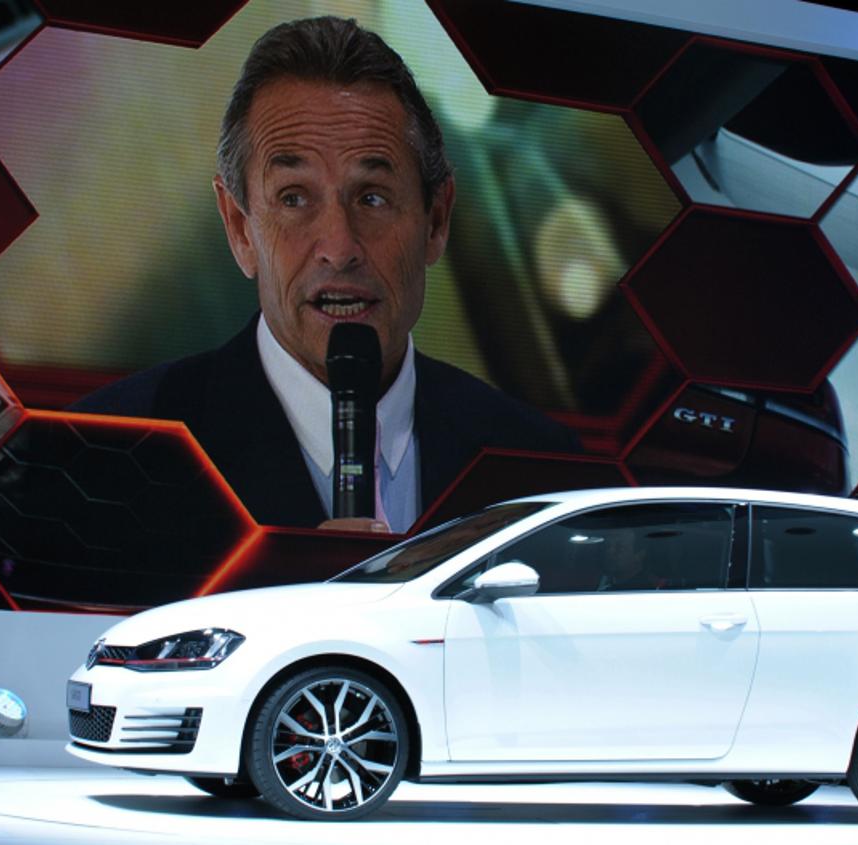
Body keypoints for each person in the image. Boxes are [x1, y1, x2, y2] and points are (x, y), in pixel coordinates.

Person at [75, 16, 578, 532]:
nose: (339, 249)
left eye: (373, 198)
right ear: (240, 228)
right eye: (294, 198)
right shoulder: (107, 459)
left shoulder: (546, 471)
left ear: (436, 220)